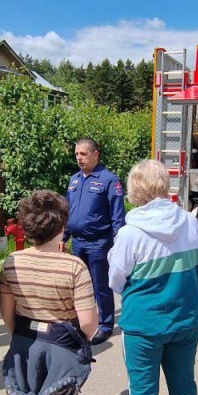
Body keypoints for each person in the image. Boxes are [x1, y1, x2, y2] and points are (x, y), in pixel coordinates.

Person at [108, 160, 198, 395]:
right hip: (186, 319)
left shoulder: (130, 233)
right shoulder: (189, 221)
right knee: (184, 384)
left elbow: (116, 280)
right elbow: (196, 267)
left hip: (143, 327)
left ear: (135, 191)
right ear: (165, 184)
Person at [0, 190, 97, 395]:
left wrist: (20, 336)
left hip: (25, 349)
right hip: (62, 354)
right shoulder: (74, 267)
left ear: (27, 228)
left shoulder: (11, 263)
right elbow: (88, 323)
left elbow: (7, 313)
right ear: (62, 228)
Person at [65, 138, 126, 345]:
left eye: (83, 154)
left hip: (99, 243)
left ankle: (106, 325)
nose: (79, 158)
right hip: (78, 243)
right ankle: (83, 322)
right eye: (76, 155)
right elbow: (69, 213)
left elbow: (118, 217)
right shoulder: (74, 180)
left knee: (101, 286)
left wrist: (119, 244)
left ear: (95, 154)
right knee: (79, 286)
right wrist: (63, 237)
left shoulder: (109, 180)